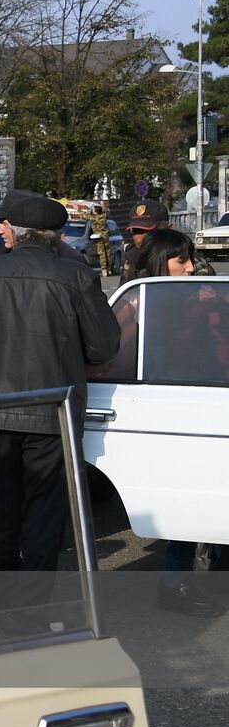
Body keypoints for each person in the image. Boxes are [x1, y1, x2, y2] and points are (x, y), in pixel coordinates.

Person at [0, 191, 119, 608]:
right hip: (51, 413)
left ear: (23, 231)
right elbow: (104, 346)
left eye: (3, 222)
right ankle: (31, 599)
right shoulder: (75, 277)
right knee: (45, 510)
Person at [121, 229, 223, 617]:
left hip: (200, 404)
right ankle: (174, 582)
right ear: (163, 260)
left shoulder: (195, 293)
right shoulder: (141, 299)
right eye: (182, 260)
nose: (191, 267)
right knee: (188, 501)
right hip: (167, 410)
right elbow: (118, 350)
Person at [89, 205, 112, 277]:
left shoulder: (94, 218)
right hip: (106, 236)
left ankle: (104, 270)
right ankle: (109, 269)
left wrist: (79, 210)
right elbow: (107, 211)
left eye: (93, 210)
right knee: (107, 253)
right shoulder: (104, 216)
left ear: (95, 212)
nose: (92, 211)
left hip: (99, 237)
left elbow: (84, 216)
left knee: (102, 254)